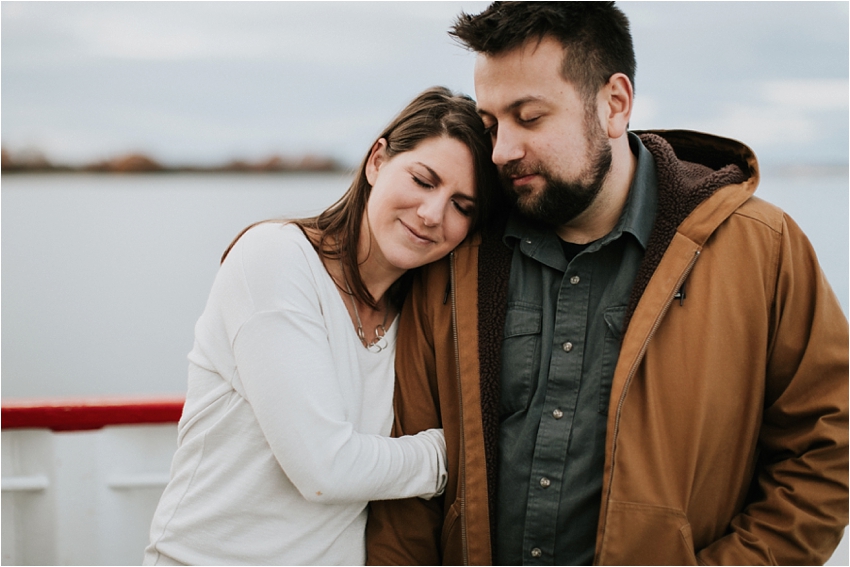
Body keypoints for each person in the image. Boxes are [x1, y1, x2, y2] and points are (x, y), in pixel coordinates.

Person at [366, 3, 849, 565]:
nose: (501, 151)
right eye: (492, 124)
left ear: (614, 104)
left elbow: (824, 451)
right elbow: (408, 490)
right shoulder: (456, 254)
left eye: (530, 117)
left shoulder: (761, 248)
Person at [143, 86, 498, 566]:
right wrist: (462, 445)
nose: (433, 214)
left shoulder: (419, 317)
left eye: (463, 206)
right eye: (423, 180)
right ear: (377, 161)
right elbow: (323, 468)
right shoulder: (275, 258)